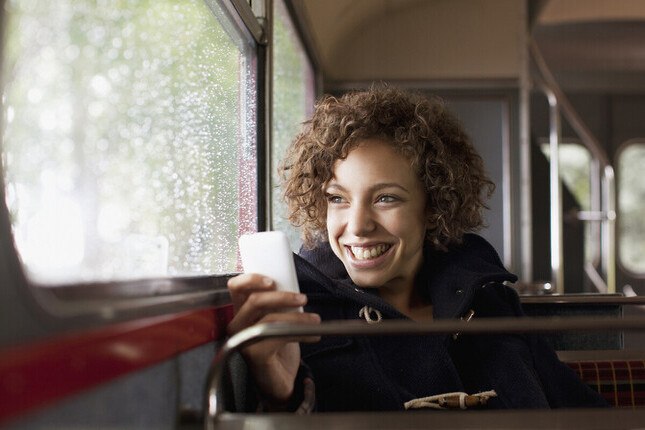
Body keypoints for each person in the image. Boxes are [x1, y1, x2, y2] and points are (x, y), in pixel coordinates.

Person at [226, 85, 607, 412]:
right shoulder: (299, 318)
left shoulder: (493, 303)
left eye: (386, 198)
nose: (356, 226)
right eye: (337, 198)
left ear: (433, 206)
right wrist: (283, 395)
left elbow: (587, 416)